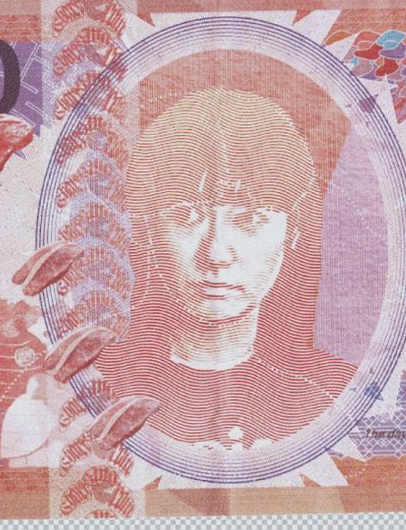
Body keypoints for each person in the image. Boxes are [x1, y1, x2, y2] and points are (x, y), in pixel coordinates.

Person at [110, 87, 354, 449]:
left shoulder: (339, 393)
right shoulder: (94, 384)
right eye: (185, 215)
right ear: (146, 229)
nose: (216, 253)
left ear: (292, 232)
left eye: (251, 218)